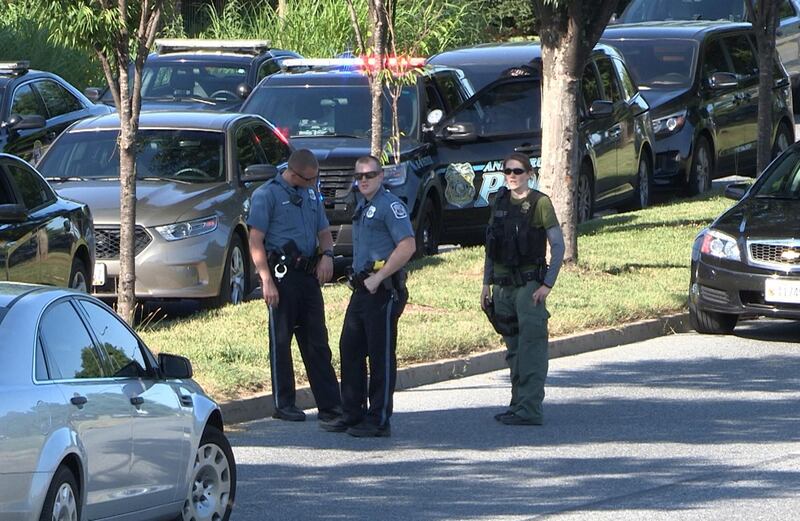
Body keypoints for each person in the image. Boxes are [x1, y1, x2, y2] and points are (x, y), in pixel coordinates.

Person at [321, 155, 416, 437]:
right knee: (349, 348)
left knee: (380, 356)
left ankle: (379, 419)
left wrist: (380, 276)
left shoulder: (390, 206)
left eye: (370, 175)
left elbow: (408, 245)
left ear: (381, 177)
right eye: (359, 176)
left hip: (383, 292)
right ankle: (352, 413)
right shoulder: (363, 204)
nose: (363, 180)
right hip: (362, 289)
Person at [247, 149, 342, 422]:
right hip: (281, 275)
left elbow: (324, 232)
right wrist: (266, 280)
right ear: (294, 173)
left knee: (317, 341)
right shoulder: (267, 195)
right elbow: (256, 240)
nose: (314, 183)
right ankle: (284, 404)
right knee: (281, 341)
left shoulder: (312, 195)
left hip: (308, 275)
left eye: (316, 179)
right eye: (310, 179)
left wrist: (327, 256)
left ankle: (330, 404)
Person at [481, 152, 565, 426]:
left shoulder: (540, 203)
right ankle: (517, 405)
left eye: (518, 171)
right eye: (508, 171)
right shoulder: (500, 202)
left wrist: (547, 285)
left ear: (530, 173)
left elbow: (558, 245)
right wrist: (486, 284)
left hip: (529, 288)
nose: (512, 176)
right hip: (503, 288)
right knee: (514, 349)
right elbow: (490, 247)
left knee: (531, 349)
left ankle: (530, 409)